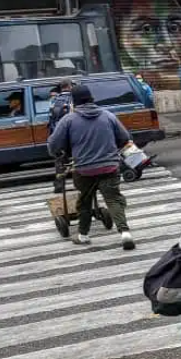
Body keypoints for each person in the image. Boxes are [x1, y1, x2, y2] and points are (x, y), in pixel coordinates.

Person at [46, 84, 136, 250]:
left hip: (84, 169)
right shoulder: (108, 116)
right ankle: (125, 233)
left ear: (74, 101)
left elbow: (53, 145)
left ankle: (83, 235)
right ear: (92, 99)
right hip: (110, 167)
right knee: (114, 198)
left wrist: (60, 153)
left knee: (85, 200)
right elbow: (124, 137)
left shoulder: (68, 120)